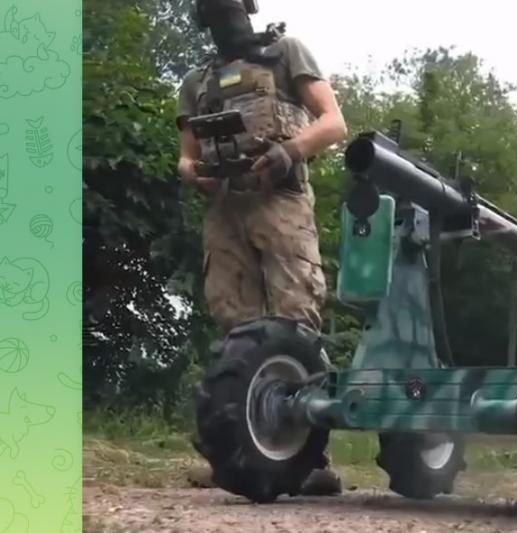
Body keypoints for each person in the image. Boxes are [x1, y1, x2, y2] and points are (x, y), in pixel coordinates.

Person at [175, 0, 347, 495]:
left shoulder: (286, 53)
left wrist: (290, 150)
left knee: (296, 322)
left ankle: (311, 461)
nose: (223, 19)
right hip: (226, 207)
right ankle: (239, 453)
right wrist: (196, 174)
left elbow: (333, 122)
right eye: (212, 13)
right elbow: (185, 158)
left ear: (247, 8)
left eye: (229, 9)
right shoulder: (197, 82)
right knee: (235, 326)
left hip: (280, 201)